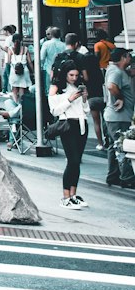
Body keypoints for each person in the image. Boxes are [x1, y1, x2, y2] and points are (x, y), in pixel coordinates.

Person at [48, 63, 91, 209]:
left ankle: (73, 195)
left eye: (76, 75)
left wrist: (84, 98)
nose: (74, 78)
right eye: (71, 75)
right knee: (72, 161)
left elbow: (86, 110)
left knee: (77, 161)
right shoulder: (57, 88)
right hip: (68, 125)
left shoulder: (78, 86)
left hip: (82, 124)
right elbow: (54, 110)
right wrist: (69, 100)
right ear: (65, 74)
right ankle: (65, 197)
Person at [104, 47, 135, 190]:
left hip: (117, 116)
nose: (130, 58)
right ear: (124, 57)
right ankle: (126, 177)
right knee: (122, 146)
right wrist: (120, 97)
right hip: (118, 116)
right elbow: (111, 86)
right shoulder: (115, 71)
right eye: (129, 56)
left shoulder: (119, 71)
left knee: (114, 146)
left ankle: (113, 175)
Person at [8, 34, 34, 103]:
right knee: (22, 88)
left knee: (14, 89)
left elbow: (8, 61)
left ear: (12, 41)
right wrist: (33, 71)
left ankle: (16, 103)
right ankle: (21, 104)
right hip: (24, 70)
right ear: (21, 40)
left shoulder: (10, 49)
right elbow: (30, 62)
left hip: (14, 71)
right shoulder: (25, 49)